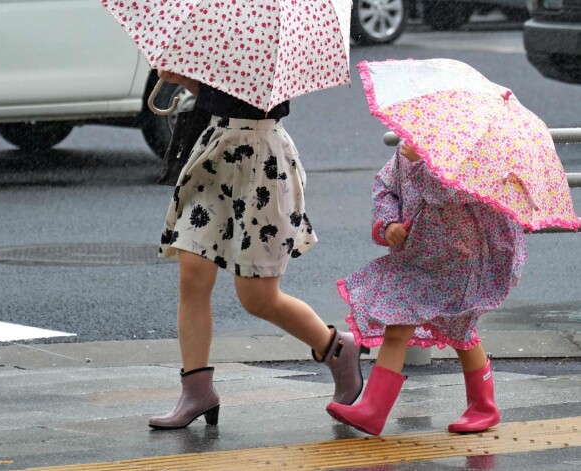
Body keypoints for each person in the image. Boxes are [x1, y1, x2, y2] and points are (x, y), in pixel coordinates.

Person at [149, 70, 368, 430]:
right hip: (214, 151)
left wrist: (196, 80)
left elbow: (253, 94)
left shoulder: (270, 37)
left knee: (257, 297)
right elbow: (217, 96)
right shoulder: (218, 28)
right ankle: (197, 391)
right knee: (192, 274)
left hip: (264, 162)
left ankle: (337, 349)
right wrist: (183, 77)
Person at [326, 142, 527, 436]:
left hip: (458, 261)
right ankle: (373, 409)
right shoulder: (407, 149)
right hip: (416, 258)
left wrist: (423, 163)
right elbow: (386, 185)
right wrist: (389, 223)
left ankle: (483, 406)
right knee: (396, 325)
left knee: (460, 331)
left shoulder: (469, 153)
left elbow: (450, 194)